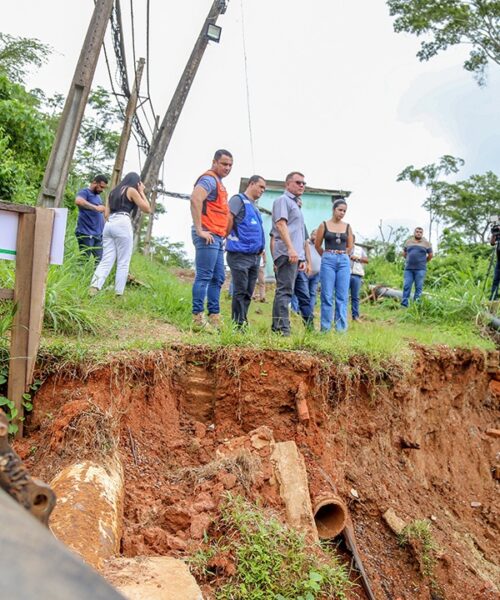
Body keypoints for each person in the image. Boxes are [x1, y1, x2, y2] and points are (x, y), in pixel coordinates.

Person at [190, 149, 233, 328]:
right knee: (204, 276)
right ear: (214, 162)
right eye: (224, 164)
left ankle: (214, 317)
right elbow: (195, 199)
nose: (227, 168)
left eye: (230, 165)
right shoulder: (209, 179)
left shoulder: (220, 184)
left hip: (216, 236)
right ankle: (197, 318)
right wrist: (200, 230)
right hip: (207, 235)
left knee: (218, 277)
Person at [89, 172, 150, 296]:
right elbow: (147, 209)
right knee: (123, 261)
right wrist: (142, 191)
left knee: (106, 259)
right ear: (136, 183)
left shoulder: (112, 192)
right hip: (123, 222)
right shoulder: (131, 190)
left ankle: (94, 287)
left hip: (109, 224)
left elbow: (106, 214)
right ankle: (118, 294)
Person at [270, 172, 313, 336]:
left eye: (303, 183)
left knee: (284, 290)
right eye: (298, 182)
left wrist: (301, 256)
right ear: (287, 184)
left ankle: (277, 328)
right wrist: (291, 249)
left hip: (296, 255)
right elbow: (281, 225)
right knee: (285, 291)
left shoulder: (296, 204)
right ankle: (283, 330)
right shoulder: (283, 200)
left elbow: (299, 234)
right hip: (287, 253)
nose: (302, 185)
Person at [226, 175, 267, 327]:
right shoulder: (238, 200)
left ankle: (242, 321)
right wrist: (225, 236)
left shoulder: (254, 207)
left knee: (248, 292)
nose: (262, 190)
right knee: (240, 290)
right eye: (260, 186)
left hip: (254, 257)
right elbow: (229, 218)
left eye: (264, 188)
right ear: (251, 184)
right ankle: (237, 324)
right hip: (239, 254)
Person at [315, 198, 353, 332]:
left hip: (343, 260)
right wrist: (327, 256)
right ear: (333, 209)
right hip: (328, 260)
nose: (342, 213)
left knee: (342, 296)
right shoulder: (324, 225)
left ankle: (341, 329)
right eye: (340, 210)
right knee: (327, 295)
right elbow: (317, 245)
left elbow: (350, 246)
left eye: (344, 211)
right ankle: (325, 329)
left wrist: (342, 255)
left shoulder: (347, 226)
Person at [75, 175, 108, 262]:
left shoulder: (98, 196)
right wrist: (96, 208)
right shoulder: (85, 192)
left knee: (100, 261)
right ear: (94, 182)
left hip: (97, 235)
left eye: (104, 188)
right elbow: (78, 201)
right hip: (86, 233)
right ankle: (78, 275)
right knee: (84, 260)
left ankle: (96, 276)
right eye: (101, 187)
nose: (102, 190)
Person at [401, 227, 433, 307]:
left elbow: (430, 255)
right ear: (414, 232)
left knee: (418, 287)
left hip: (420, 269)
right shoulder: (408, 242)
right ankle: (404, 305)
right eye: (417, 231)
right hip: (408, 269)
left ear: (422, 234)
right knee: (406, 286)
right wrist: (409, 259)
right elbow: (404, 253)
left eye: (420, 232)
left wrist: (423, 261)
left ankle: (416, 305)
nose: (418, 233)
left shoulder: (426, 243)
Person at [349, 235, 369, 321]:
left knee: (355, 297)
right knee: (343, 296)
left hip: (356, 275)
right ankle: (340, 315)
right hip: (346, 274)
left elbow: (367, 260)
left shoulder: (359, 249)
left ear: (354, 240)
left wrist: (358, 258)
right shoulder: (344, 249)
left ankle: (355, 316)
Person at [489, 229, 500, 301]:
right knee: (495, 280)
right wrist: (494, 234)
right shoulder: (498, 234)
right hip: (499, 261)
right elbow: (492, 243)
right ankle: (493, 298)